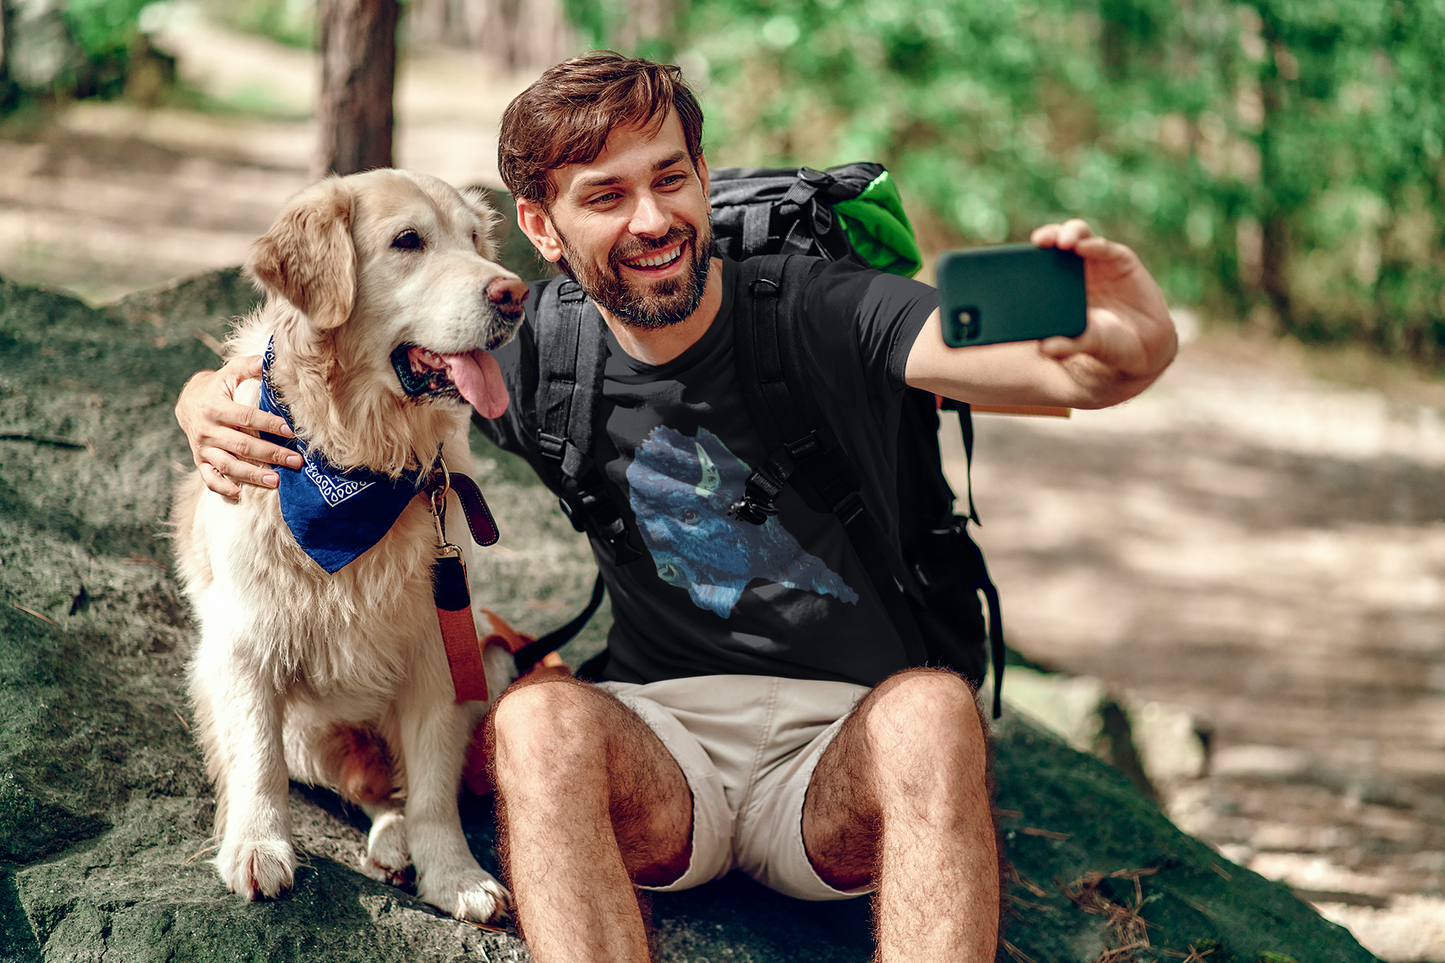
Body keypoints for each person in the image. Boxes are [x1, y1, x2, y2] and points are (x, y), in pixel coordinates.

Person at [176, 52, 1177, 963]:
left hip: (841, 755)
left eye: (669, 179)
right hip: (661, 752)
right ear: (543, 229)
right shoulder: (521, 358)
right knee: (535, 724)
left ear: (702, 178)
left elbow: (1062, 373)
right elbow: (324, 365)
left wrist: (1129, 342)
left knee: (932, 709)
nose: (650, 220)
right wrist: (200, 403)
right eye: (604, 196)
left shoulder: (818, 310)